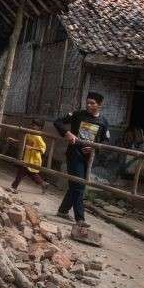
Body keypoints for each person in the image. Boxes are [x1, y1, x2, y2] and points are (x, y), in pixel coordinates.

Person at [54, 91, 110, 227]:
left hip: (89, 158)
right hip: (74, 154)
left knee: (76, 185)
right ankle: (80, 219)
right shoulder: (78, 115)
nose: (89, 105)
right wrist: (67, 133)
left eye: (92, 103)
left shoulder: (103, 122)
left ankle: (62, 211)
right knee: (79, 185)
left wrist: (94, 148)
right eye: (87, 102)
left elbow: (106, 141)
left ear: (100, 105)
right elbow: (58, 122)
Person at [8, 119, 49, 194]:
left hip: (34, 159)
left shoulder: (38, 137)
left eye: (35, 125)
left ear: (39, 127)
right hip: (27, 158)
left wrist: (32, 148)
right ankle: (43, 184)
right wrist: (14, 140)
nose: (33, 127)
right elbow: (24, 142)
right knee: (31, 174)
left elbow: (43, 148)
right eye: (32, 125)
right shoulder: (29, 134)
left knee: (22, 172)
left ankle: (14, 186)